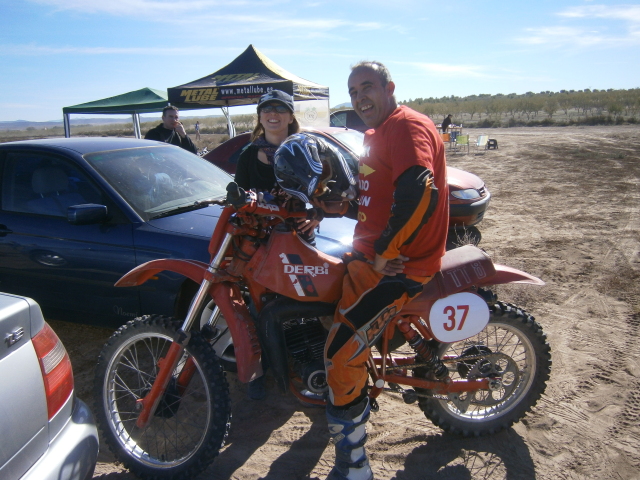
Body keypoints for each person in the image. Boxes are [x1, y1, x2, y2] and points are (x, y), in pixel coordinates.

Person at [315, 61, 449, 480]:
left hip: (399, 268)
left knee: (339, 354)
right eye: (353, 92)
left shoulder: (407, 126)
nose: (360, 98)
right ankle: (355, 394)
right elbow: (381, 196)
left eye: (367, 87)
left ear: (389, 87)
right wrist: (334, 208)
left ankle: (354, 465)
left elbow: (418, 190)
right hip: (372, 260)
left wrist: (382, 252)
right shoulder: (375, 133)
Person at [235, 90, 321, 400]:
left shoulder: (306, 148)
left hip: (299, 237)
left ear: (290, 114)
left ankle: (309, 362)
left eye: (280, 108)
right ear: (259, 116)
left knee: (304, 303)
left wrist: (318, 214)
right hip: (261, 241)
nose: (274, 114)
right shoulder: (248, 154)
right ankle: (262, 369)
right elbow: (240, 200)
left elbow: (324, 190)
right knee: (257, 307)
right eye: (267, 109)